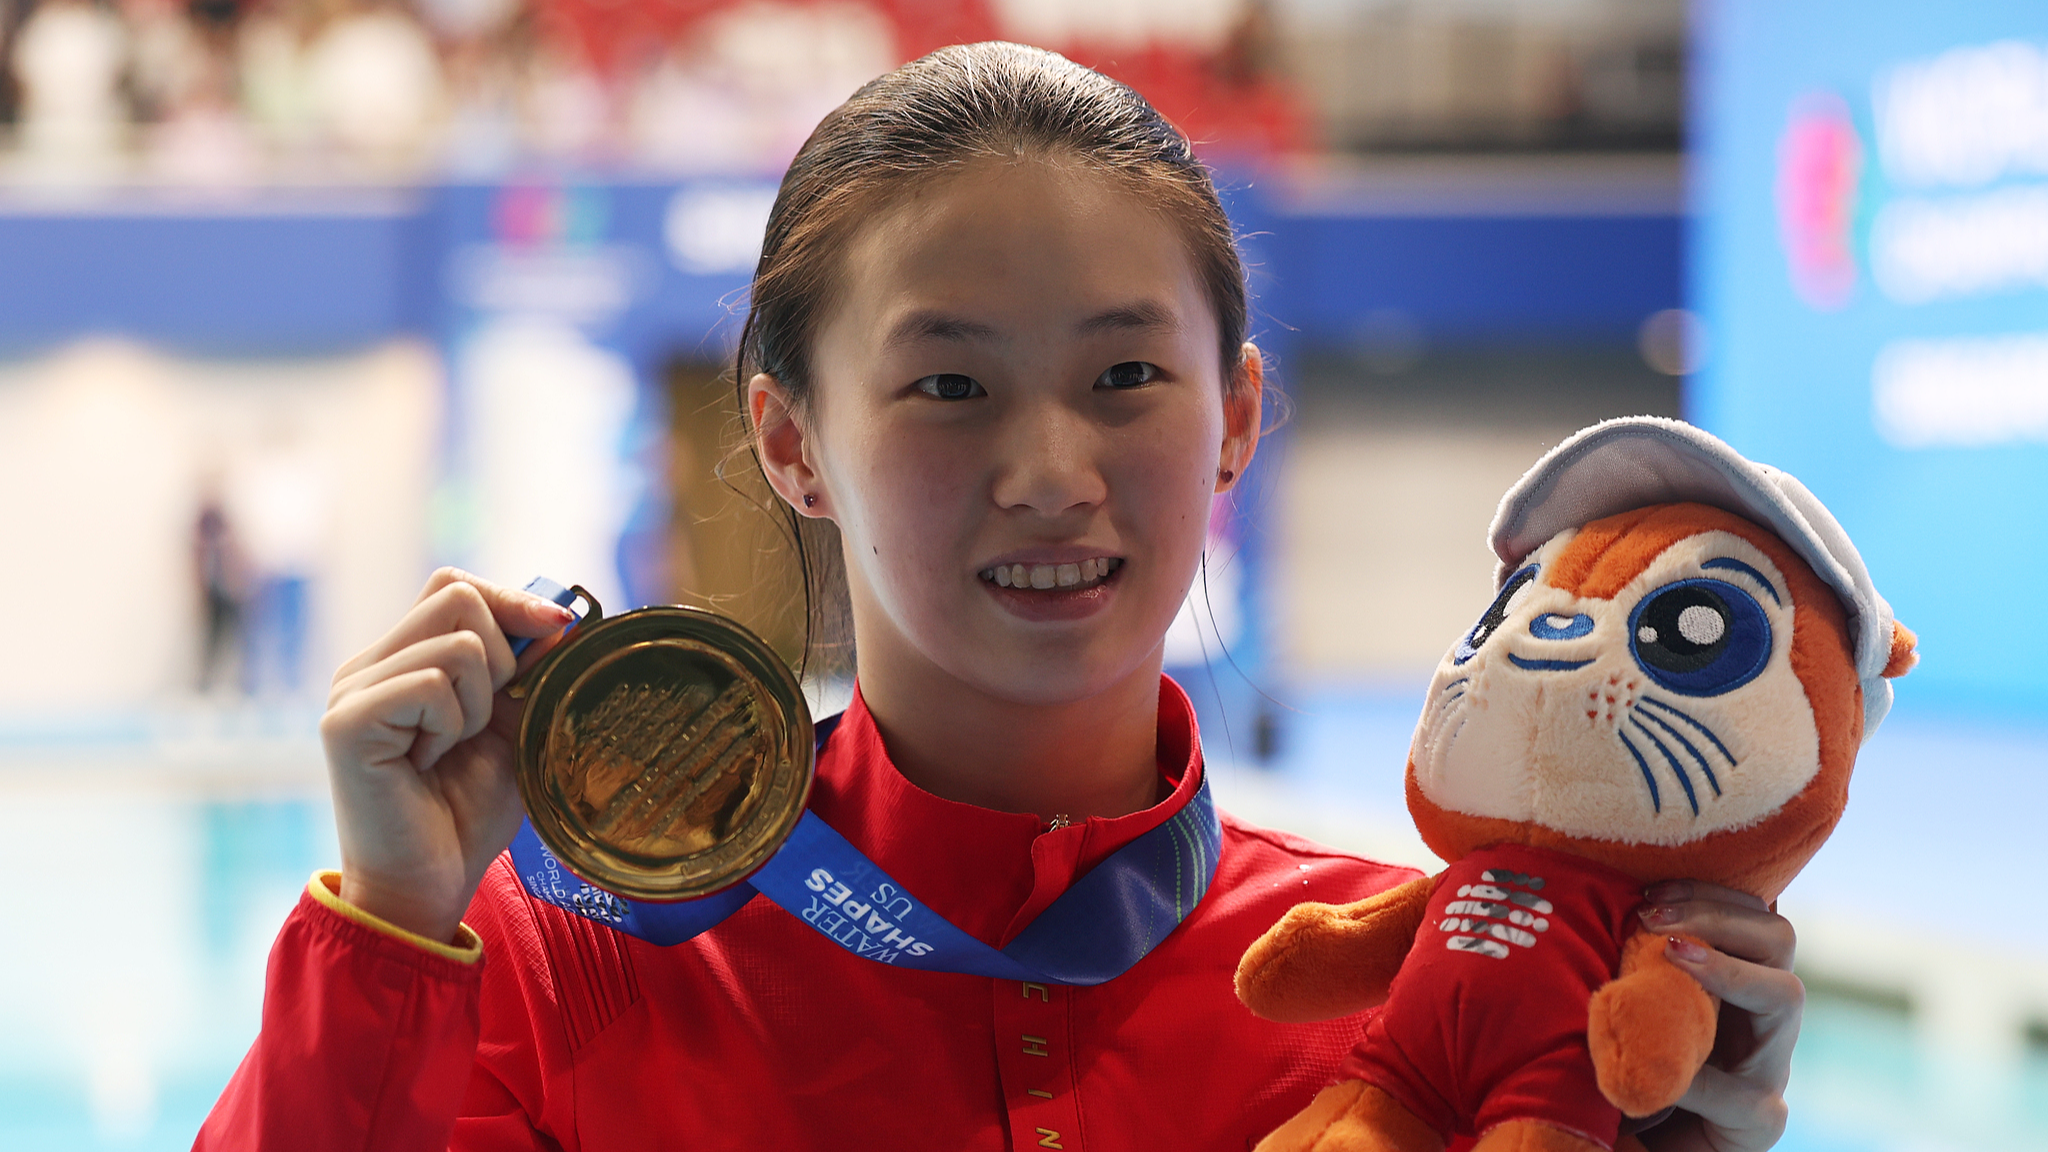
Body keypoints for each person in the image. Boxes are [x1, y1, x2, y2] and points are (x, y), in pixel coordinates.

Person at [196, 43, 1802, 1152]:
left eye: (1124, 374)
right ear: (791, 439)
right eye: (949, 385)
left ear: (1236, 417)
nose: (1048, 467)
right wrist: (396, 931)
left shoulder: (1428, 994)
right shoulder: (554, 961)